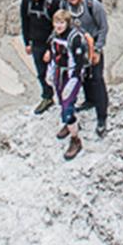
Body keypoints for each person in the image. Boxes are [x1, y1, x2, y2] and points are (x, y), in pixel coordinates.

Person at [63, 0, 109, 137]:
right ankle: (89, 100)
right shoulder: (65, 7)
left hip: (93, 44)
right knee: (83, 77)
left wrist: (97, 49)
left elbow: (103, 27)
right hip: (77, 46)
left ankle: (102, 116)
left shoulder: (93, 5)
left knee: (96, 78)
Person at [16, 0, 64, 114]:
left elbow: (59, 26)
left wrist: (50, 49)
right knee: (41, 73)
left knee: (58, 72)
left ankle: (64, 99)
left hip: (52, 43)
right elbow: (25, 22)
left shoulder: (53, 2)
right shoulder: (27, 1)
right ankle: (47, 97)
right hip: (36, 42)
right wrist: (27, 42)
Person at [45, 9, 89, 160]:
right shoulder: (54, 36)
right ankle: (70, 124)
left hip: (71, 75)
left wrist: (73, 82)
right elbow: (52, 55)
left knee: (67, 107)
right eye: (56, 22)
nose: (59, 26)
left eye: (62, 23)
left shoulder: (74, 38)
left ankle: (75, 139)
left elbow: (79, 63)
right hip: (59, 73)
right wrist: (50, 72)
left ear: (67, 23)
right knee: (60, 101)